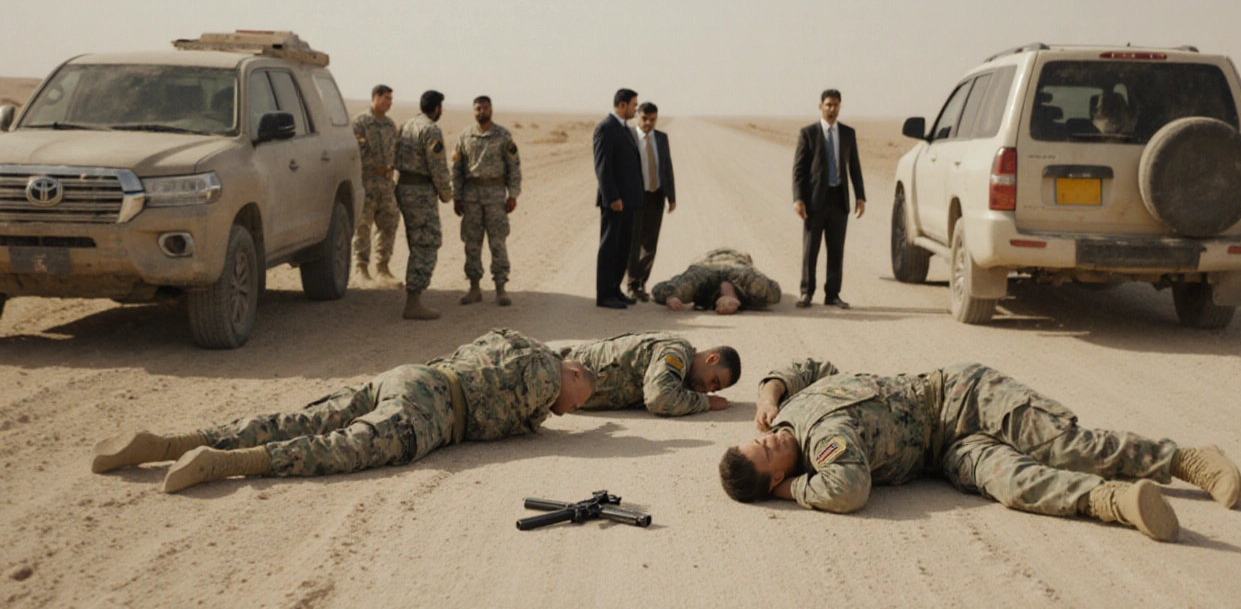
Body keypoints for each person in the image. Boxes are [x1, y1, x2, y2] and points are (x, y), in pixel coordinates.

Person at [718, 358, 1241, 542]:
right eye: (768, 455)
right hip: (945, 452)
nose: (771, 440)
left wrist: (771, 388)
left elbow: (811, 364)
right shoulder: (824, 454)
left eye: (760, 439)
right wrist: (794, 490)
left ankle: (1184, 459)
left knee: (1061, 442)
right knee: (1014, 483)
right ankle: (1116, 502)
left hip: (958, 392)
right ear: (775, 481)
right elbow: (850, 489)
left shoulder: (785, 412)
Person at [90, 329, 596, 493]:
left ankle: (166, 443)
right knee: (344, 449)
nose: (566, 414)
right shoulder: (547, 375)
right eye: (575, 404)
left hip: (409, 376)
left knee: (303, 418)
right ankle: (223, 464)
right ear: (572, 374)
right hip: (433, 412)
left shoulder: (511, 341)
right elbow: (515, 416)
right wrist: (543, 416)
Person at [792, 88, 865, 309]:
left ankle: (832, 294)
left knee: (836, 250)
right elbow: (799, 169)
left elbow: (854, 167)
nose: (832, 109)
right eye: (828, 105)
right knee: (810, 249)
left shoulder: (847, 134)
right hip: (815, 202)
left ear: (840, 107)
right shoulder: (809, 133)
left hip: (839, 200)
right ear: (820, 107)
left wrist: (860, 196)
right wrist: (798, 199)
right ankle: (806, 292)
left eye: (836, 105)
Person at [554, 332, 739, 416]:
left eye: (715, 390)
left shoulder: (684, 372)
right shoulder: (677, 352)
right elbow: (660, 398)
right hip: (560, 377)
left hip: (567, 388)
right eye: (714, 381)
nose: (709, 389)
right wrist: (705, 403)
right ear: (712, 359)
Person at [451, 95, 522, 306]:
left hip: (495, 197)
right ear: (474, 111)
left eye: (485, 108)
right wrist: (457, 196)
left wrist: (513, 195)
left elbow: (514, 167)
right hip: (471, 196)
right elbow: (457, 169)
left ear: (491, 110)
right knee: (472, 243)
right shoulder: (465, 136)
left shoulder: (503, 136)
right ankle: (474, 288)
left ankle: (501, 288)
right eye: (478, 108)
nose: (482, 111)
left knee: (497, 241)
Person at [394, 90, 454, 320]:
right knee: (427, 242)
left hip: (404, 189)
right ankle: (413, 300)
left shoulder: (406, 125)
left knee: (415, 240)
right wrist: (447, 194)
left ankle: (414, 296)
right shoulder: (431, 130)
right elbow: (437, 167)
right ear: (437, 108)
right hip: (420, 193)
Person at [593, 88, 644, 309]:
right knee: (609, 248)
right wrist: (612, 197)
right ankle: (604, 295)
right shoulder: (606, 128)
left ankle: (615, 290)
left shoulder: (624, 128)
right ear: (622, 105)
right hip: (614, 202)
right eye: (634, 105)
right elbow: (603, 167)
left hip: (627, 202)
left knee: (623, 247)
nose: (636, 109)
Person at [351, 84, 401, 287]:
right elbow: (360, 152)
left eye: (391, 98)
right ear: (375, 97)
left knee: (389, 224)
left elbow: (395, 152)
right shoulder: (360, 123)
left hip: (387, 184)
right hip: (367, 182)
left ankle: (383, 268)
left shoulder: (390, 125)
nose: (390, 102)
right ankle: (361, 269)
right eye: (386, 98)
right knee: (363, 226)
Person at [625, 102, 676, 302]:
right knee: (633, 241)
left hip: (656, 195)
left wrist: (671, 198)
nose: (648, 123)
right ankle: (630, 283)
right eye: (645, 119)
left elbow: (667, 168)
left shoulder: (662, 138)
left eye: (652, 119)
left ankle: (640, 283)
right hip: (635, 196)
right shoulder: (628, 137)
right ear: (637, 117)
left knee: (650, 243)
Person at [651, 248, 781, 315]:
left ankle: (730, 297)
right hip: (735, 265)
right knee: (764, 290)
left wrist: (670, 296)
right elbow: (775, 291)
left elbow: (658, 288)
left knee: (681, 289)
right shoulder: (743, 262)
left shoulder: (703, 263)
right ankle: (730, 296)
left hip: (707, 266)